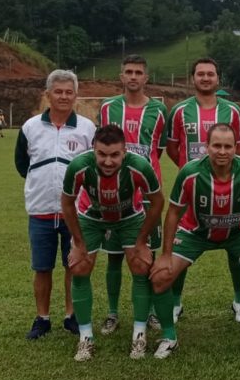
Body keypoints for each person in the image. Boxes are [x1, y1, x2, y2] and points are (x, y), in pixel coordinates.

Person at [148, 124, 240, 359]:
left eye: (228, 146)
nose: (222, 151)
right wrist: (166, 254)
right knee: (161, 276)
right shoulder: (190, 172)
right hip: (196, 233)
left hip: (237, 232)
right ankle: (169, 337)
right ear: (206, 147)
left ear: (236, 148)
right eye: (217, 145)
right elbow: (172, 213)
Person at [60, 124, 164, 362]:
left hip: (129, 216)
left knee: (140, 265)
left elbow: (157, 202)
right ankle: (85, 339)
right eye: (102, 154)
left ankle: (139, 334)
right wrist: (78, 242)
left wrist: (141, 241)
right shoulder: (79, 166)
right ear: (93, 149)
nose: (108, 161)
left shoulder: (139, 167)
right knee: (79, 267)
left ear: (124, 151)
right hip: (92, 216)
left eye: (114, 155)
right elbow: (67, 203)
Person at [166, 57, 240, 322]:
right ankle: (176, 303)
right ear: (193, 78)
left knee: (237, 243)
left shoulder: (233, 111)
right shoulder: (179, 110)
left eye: (210, 74)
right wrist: (192, 171)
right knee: (182, 244)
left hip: (229, 187)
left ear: (218, 79)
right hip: (192, 191)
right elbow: (172, 148)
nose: (205, 78)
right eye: (200, 74)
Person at [14, 70, 95, 340]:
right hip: (41, 210)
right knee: (42, 267)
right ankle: (42, 318)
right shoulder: (30, 127)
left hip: (75, 213)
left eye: (68, 92)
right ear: (48, 94)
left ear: (75, 95)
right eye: (58, 91)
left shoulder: (86, 128)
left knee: (74, 265)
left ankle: (71, 315)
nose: (63, 96)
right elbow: (22, 165)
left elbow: (93, 168)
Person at [97, 55, 170, 335]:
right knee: (114, 255)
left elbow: (158, 150)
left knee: (147, 255)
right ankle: (113, 313)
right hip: (112, 192)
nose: (133, 76)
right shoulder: (107, 108)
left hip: (147, 194)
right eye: (128, 71)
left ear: (146, 77)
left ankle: (150, 312)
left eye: (138, 72)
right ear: (121, 76)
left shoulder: (159, 111)